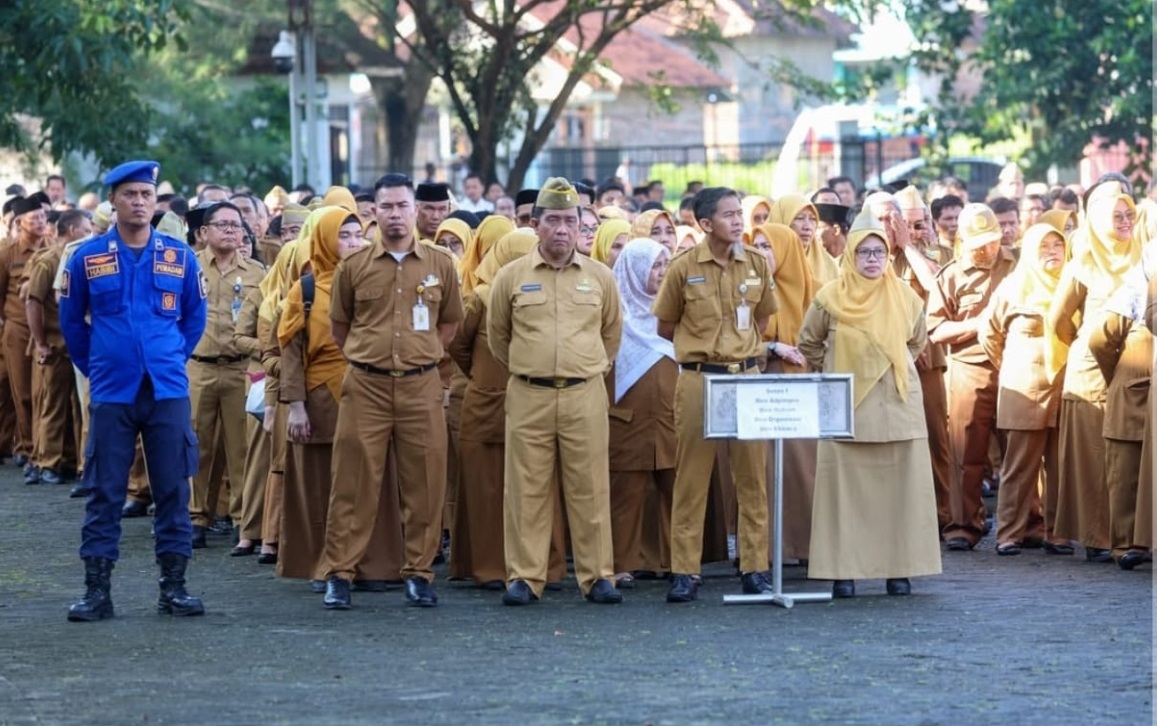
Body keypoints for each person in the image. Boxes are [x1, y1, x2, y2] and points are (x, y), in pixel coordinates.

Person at [59, 160, 208, 621]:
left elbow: (194, 317)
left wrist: (168, 357)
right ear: (113, 202)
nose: (139, 202)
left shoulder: (179, 256)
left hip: (166, 389)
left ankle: (174, 588)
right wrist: (102, 363)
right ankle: (97, 592)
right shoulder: (86, 256)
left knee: (172, 490)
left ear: (154, 200)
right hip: (112, 391)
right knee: (105, 491)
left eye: (146, 194)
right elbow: (72, 324)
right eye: (130, 195)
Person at [319, 173, 464, 610]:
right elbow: (340, 328)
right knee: (352, 482)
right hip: (367, 386)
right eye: (387, 207)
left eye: (403, 206)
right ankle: (340, 573)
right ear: (375, 212)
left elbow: (451, 324)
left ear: (415, 210)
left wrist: (423, 355)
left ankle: (419, 573)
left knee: (424, 482)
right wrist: (371, 358)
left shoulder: (440, 264)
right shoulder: (355, 266)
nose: (396, 214)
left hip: (421, 385)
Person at [487, 177, 624, 606]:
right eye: (553, 221)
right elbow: (498, 338)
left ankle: (597, 575)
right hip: (529, 392)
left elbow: (612, 335)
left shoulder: (600, 278)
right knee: (526, 488)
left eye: (570, 221)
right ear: (534, 224)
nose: (562, 229)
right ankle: (525, 577)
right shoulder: (511, 277)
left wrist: (583, 368)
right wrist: (534, 367)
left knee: (591, 486)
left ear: (582, 226)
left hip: (585, 392)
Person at [797, 210, 941, 598]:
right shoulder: (829, 298)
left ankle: (900, 570)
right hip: (847, 408)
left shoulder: (907, 298)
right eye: (864, 253)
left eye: (879, 251)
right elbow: (808, 342)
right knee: (844, 494)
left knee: (900, 492)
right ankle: (844, 571)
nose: (873, 259)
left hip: (896, 406)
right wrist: (838, 364)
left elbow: (916, 341)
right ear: (851, 256)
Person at [652, 186, 778, 603]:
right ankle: (685, 571)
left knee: (752, 477)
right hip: (699, 379)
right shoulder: (683, 267)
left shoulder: (757, 264)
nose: (738, 221)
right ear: (704, 224)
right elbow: (665, 326)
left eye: (740, 213)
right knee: (691, 477)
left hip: (746, 377)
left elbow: (762, 318)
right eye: (728, 215)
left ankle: (754, 567)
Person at [1048, 181, 1141, 561]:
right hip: (1090, 373)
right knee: (1092, 457)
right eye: (1115, 216)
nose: (1123, 222)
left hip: (1132, 372)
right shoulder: (1083, 262)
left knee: (1128, 459)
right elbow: (1057, 319)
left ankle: (1132, 537)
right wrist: (1084, 342)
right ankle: (1096, 537)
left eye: (1128, 215)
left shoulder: (1142, 256)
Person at [448, 230, 544, 588]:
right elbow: (457, 345)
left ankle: (537, 565)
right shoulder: (481, 299)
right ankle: (489, 567)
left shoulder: (542, 292)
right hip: (487, 405)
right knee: (485, 488)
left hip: (534, 403)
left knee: (532, 488)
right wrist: (482, 375)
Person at [927, 204, 1018, 551]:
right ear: (962, 240)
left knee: (1022, 450)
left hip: (1016, 365)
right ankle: (963, 525)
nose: (987, 250)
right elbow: (934, 328)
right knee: (967, 451)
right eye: (979, 244)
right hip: (970, 368)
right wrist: (978, 325)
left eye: (992, 241)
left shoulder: (1020, 263)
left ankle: (1030, 523)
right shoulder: (950, 275)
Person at [978, 224, 1069, 555]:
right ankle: (1009, 534)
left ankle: (1057, 534)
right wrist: (1013, 364)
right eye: (1044, 246)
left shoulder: (1072, 283)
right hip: (1025, 385)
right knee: (1019, 465)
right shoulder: (1014, 286)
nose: (1052, 251)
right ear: (1030, 249)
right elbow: (989, 334)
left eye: (1058, 245)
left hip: (1064, 385)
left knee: (1060, 466)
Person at [186, 202, 267, 549]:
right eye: (224, 225)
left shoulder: (256, 273)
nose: (233, 231)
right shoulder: (187, 267)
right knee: (195, 445)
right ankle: (196, 518)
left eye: (238, 226)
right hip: (197, 365)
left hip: (240, 368)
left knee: (242, 448)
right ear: (204, 232)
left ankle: (242, 521)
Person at [607, 238, 677, 587]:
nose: (662, 273)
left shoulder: (673, 316)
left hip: (669, 418)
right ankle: (621, 565)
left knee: (676, 490)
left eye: (665, 265)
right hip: (626, 420)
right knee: (625, 494)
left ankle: (675, 563)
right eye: (654, 266)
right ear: (634, 270)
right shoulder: (616, 316)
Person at [756, 223, 816, 564]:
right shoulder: (748, 290)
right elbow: (738, 337)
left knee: (802, 469)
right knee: (762, 471)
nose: (761, 253)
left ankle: (806, 547)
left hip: (803, 385)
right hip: (761, 383)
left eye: (768, 246)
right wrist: (772, 348)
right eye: (757, 246)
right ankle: (763, 552)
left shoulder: (816, 291)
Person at [25, 210, 90, 486]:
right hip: (54, 344)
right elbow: (32, 302)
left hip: (74, 345)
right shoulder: (49, 261)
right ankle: (46, 463)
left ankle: (74, 462)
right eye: (87, 228)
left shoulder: (79, 257)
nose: (91, 233)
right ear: (73, 230)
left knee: (78, 410)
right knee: (51, 406)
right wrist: (40, 343)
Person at [0, 194, 48, 481]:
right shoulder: (7, 253)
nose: (41, 223)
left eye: (43, 217)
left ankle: (46, 453)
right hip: (18, 330)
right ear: (20, 222)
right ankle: (30, 453)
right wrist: (9, 322)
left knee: (47, 394)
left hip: (48, 330)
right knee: (24, 394)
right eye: (34, 219)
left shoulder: (52, 249)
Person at [769, 194, 838, 285]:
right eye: (800, 218)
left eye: (813, 219)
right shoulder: (764, 261)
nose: (808, 227)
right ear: (782, 221)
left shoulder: (829, 265)